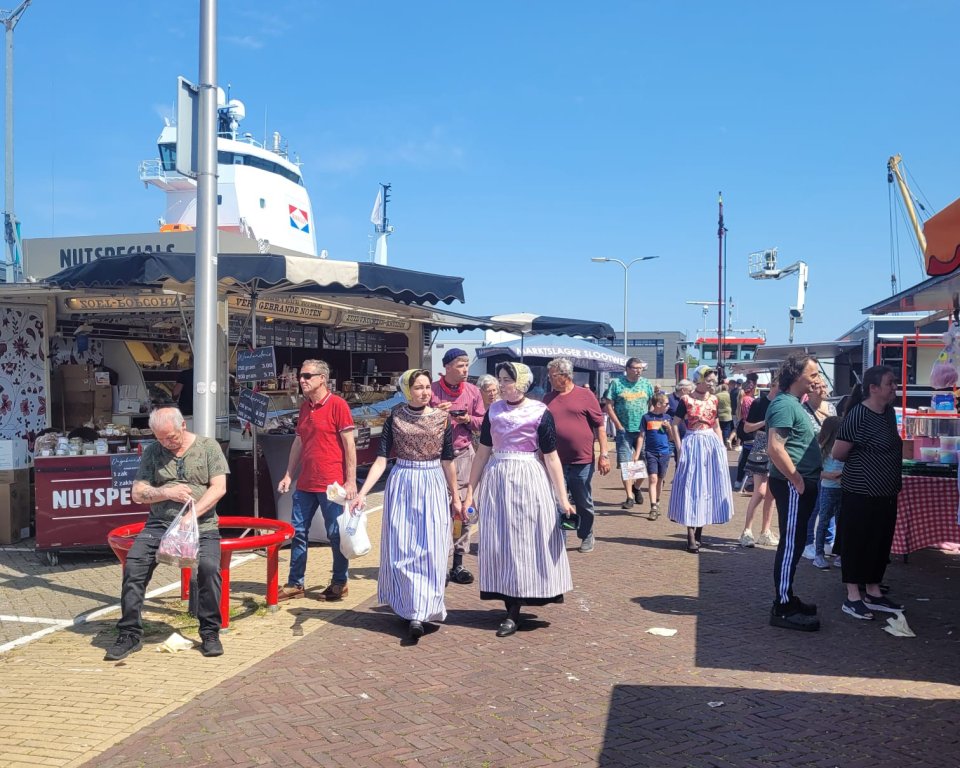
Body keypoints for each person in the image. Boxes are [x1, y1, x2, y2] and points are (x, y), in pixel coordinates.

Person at [104, 407, 229, 660]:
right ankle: (129, 633)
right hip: (159, 523)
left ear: (183, 425)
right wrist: (166, 493)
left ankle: (209, 631)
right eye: (160, 438)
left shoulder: (208, 447)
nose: (166, 443)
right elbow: (138, 493)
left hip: (201, 525)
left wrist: (191, 515)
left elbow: (219, 488)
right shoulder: (153, 452)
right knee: (134, 567)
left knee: (208, 568)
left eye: (170, 437)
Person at [464, 362, 574, 638]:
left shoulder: (540, 412)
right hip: (498, 479)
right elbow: (482, 453)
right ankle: (510, 607)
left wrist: (562, 499)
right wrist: (469, 492)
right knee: (502, 542)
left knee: (527, 539)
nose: (501, 385)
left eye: (506, 380)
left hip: (528, 479)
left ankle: (526, 597)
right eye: (500, 379)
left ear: (521, 383)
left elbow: (551, 457)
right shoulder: (494, 411)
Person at [351, 369, 459, 640]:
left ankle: (424, 609)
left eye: (427, 387)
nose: (424, 392)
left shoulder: (442, 419)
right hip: (403, 481)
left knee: (431, 547)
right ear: (407, 390)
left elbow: (448, 460)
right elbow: (380, 460)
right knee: (402, 545)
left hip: (432, 480)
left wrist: (456, 495)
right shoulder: (395, 417)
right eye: (418, 387)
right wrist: (362, 492)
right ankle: (410, 607)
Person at [277, 359, 357, 602]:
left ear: (322, 378)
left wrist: (350, 481)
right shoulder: (304, 408)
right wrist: (289, 474)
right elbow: (299, 443)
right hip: (306, 483)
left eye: (307, 375)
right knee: (298, 532)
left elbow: (349, 445)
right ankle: (295, 582)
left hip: (332, 484)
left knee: (335, 533)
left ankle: (340, 581)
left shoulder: (338, 405)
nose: (302, 380)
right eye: (301, 375)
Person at [833, 365, 904, 620]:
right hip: (860, 492)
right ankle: (853, 596)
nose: (894, 387)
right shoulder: (858, 415)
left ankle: (874, 591)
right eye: (890, 383)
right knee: (857, 543)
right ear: (873, 388)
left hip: (886, 493)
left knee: (879, 543)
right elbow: (838, 453)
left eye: (894, 382)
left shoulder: (889, 413)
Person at [766, 353, 822, 632]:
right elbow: (775, 448)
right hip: (793, 484)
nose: (816, 379)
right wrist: (797, 480)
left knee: (796, 542)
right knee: (790, 544)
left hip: (800, 483)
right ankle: (783, 606)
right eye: (812, 374)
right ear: (797, 375)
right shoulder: (785, 405)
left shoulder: (794, 404)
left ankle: (787, 597)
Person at [430, 348, 485, 585]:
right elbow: (416, 415)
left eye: (466, 365)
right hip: (434, 459)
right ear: (448, 366)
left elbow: (483, 422)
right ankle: (438, 562)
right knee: (437, 510)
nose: (465, 370)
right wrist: (434, 413)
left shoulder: (473, 392)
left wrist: (467, 420)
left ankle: (458, 563)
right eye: (461, 365)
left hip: (463, 455)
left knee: (463, 510)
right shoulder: (431, 390)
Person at [543, 357, 610, 553]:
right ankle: (561, 536)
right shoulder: (547, 398)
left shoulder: (585, 395)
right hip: (555, 460)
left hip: (582, 459)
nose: (549, 379)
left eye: (552, 376)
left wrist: (604, 454)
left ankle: (586, 534)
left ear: (564, 376)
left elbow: (600, 426)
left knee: (583, 500)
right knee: (558, 500)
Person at [668, 365, 734, 553]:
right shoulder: (686, 399)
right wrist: (680, 448)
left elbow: (716, 425)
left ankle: (698, 533)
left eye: (713, 379)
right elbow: (675, 424)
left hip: (710, 443)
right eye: (708, 379)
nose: (712, 382)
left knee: (707, 486)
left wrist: (721, 446)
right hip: (693, 442)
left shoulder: (714, 400)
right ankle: (690, 534)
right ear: (699, 380)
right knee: (692, 485)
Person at [603, 357, 655, 510]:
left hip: (642, 430)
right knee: (627, 464)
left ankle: (636, 487)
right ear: (627, 369)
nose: (639, 371)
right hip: (624, 430)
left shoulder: (646, 384)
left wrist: (650, 419)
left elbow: (652, 402)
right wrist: (617, 425)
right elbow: (609, 406)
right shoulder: (617, 384)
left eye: (641, 368)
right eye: (636, 368)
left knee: (645, 461)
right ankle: (629, 497)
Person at [739, 378, 780, 548]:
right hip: (762, 445)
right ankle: (747, 531)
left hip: (777, 444)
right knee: (760, 491)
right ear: (773, 385)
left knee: (772, 494)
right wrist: (765, 422)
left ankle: (765, 531)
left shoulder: (784, 404)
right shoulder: (759, 403)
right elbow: (747, 427)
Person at [801, 377, 838, 560]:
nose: (823, 389)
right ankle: (808, 542)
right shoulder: (803, 410)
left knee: (829, 503)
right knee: (814, 505)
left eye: (824, 386)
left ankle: (827, 541)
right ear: (810, 390)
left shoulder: (831, 408)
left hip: (830, 459)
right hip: (812, 461)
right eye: (819, 387)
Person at [634, 392, 677, 521]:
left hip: (664, 452)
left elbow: (672, 438)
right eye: (666, 404)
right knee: (652, 478)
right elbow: (641, 436)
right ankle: (653, 507)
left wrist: (669, 428)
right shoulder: (646, 418)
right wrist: (637, 454)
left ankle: (657, 503)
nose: (668, 406)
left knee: (660, 479)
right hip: (650, 452)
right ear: (658, 404)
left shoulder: (668, 418)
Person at [812, 416, 843, 570]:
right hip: (828, 488)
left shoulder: (844, 448)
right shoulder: (822, 449)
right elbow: (816, 471)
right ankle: (819, 554)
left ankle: (839, 554)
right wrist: (831, 476)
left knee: (841, 522)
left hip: (842, 488)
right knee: (824, 521)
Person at [734, 376, 758, 490]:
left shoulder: (742, 398)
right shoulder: (750, 401)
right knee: (750, 456)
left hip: (742, 427)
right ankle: (748, 480)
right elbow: (752, 417)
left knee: (745, 455)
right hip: (749, 429)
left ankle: (740, 480)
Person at [716, 380, 734, 450]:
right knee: (727, 428)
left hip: (719, 413)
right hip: (728, 414)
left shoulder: (717, 395)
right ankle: (726, 441)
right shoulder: (729, 395)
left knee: (719, 428)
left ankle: (720, 442)